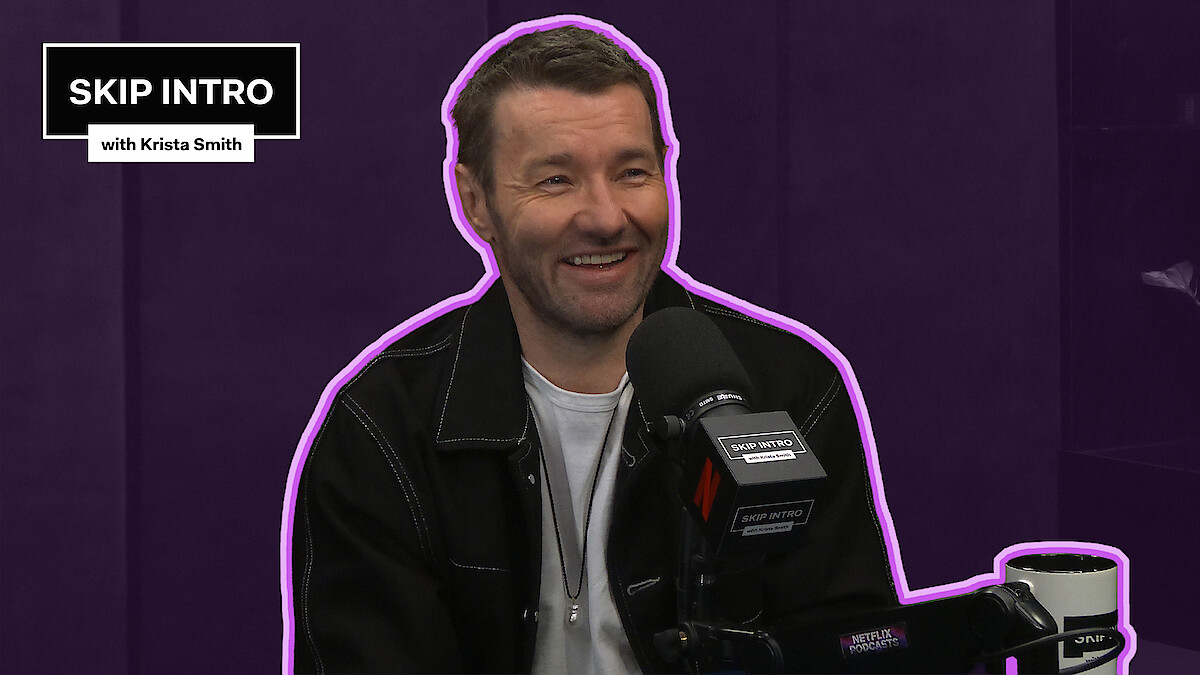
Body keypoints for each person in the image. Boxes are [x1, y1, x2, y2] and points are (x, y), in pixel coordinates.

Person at [287, 20, 895, 674]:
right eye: (556, 180)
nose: (607, 216)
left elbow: (853, 651)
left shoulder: (788, 389)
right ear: (476, 201)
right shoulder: (384, 428)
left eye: (632, 171)